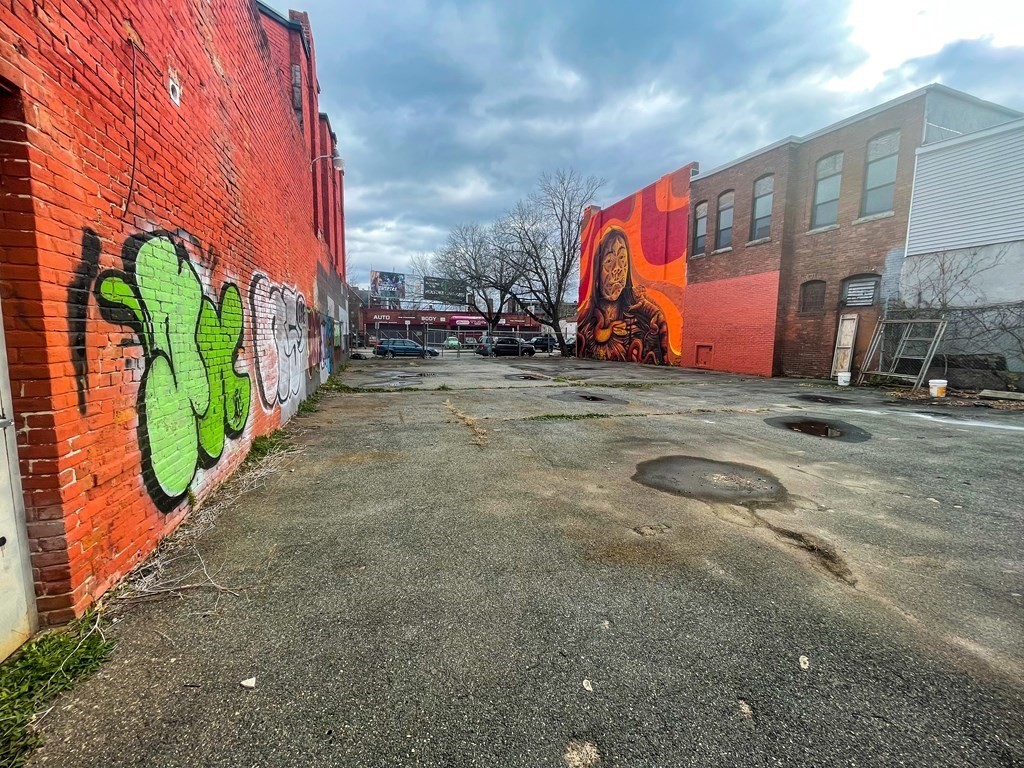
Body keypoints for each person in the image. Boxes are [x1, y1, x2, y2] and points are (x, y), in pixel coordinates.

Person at [578, 227, 668, 364]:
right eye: (609, 261)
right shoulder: (585, 321)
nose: (617, 268)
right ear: (597, 271)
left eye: (622, 258)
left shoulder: (643, 321)